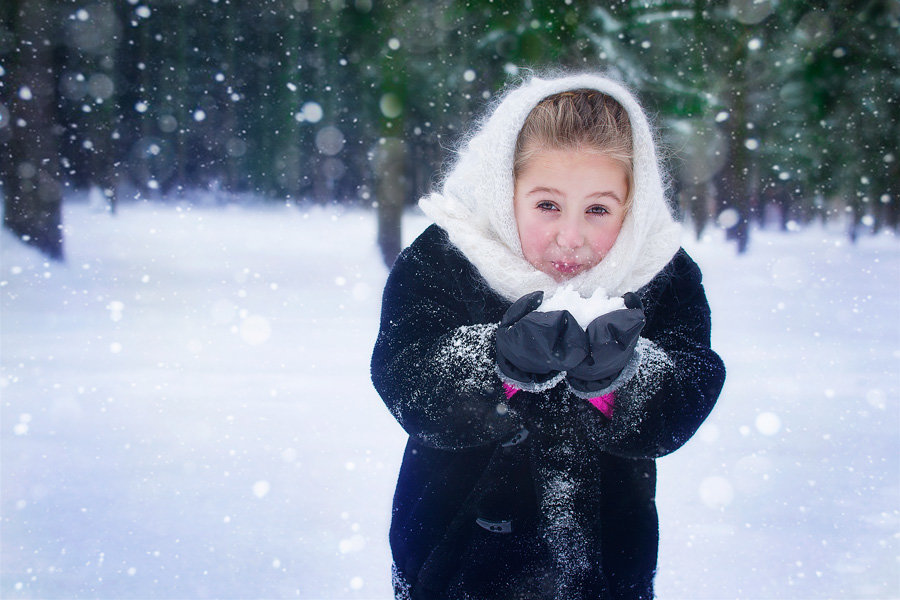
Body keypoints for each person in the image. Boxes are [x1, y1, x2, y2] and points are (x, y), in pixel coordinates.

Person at [371, 72, 726, 600]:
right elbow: (408, 382)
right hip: (452, 564)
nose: (571, 237)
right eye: (547, 205)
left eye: (599, 209)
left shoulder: (659, 275)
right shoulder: (446, 259)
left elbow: (684, 397)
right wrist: (497, 365)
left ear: (633, 204)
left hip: (604, 567)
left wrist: (621, 379)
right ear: (503, 188)